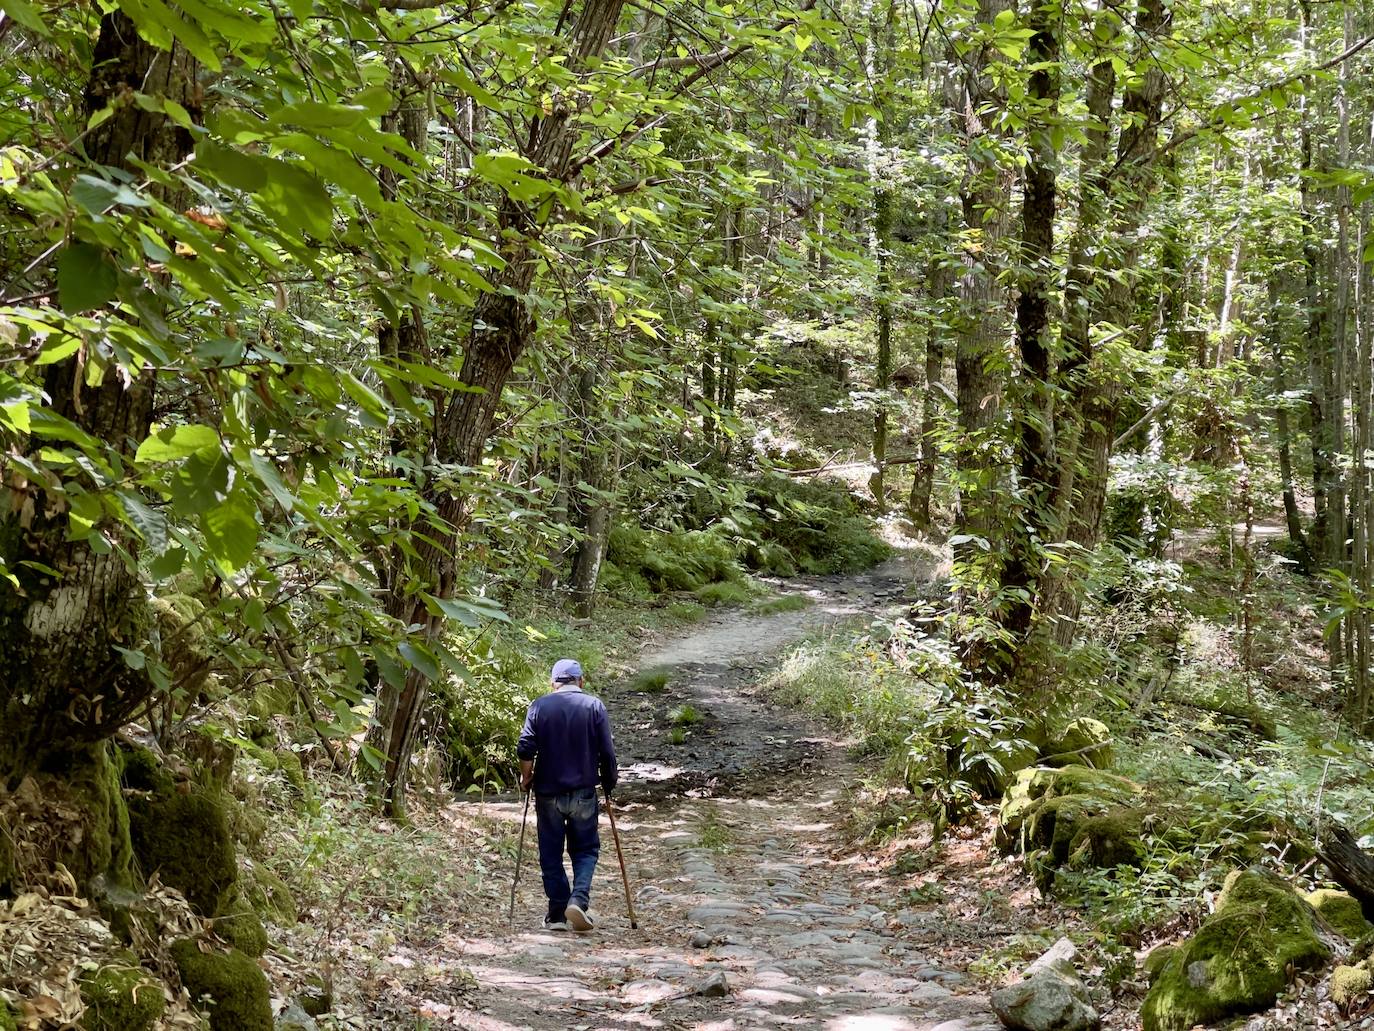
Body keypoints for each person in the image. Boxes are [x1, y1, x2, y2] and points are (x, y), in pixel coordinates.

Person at [516, 658, 618, 932]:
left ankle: (558, 914)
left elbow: (525, 748)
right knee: (585, 849)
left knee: (550, 852)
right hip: (584, 791)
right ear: (580, 681)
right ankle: (579, 899)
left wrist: (526, 777)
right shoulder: (594, 706)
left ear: (553, 683)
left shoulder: (539, 706)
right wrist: (609, 783)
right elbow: (607, 752)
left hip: (548, 791)